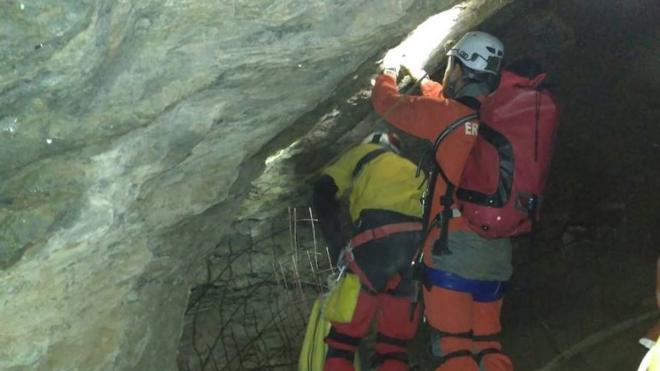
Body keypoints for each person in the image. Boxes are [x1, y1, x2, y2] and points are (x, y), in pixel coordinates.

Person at [371, 31, 514, 371]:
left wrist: (387, 71)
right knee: (487, 346)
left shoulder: (446, 116)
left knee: (455, 351)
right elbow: (450, 109)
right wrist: (421, 76)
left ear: (461, 69)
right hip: (498, 254)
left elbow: (387, 103)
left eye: (452, 64)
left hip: (454, 254)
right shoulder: (498, 119)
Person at [312, 131, 424, 371]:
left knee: (343, 341)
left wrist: (336, 245)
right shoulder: (414, 168)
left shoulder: (362, 154)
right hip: (417, 249)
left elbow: (323, 190)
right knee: (394, 346)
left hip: (376, 243)